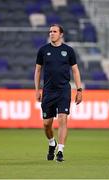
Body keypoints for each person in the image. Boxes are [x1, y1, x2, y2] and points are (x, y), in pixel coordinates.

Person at [34, 24, 82, 162]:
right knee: (46, 124)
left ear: (61, 34)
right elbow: (38, 71)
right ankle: (51, 143)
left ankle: (60, 150)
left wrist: (79, 90)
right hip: (48, 91)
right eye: (50, 31)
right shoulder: (43, 50)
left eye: (54, 31)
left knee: (63, 118)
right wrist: (37, 90)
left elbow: (75, 70)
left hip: (63, 90)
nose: (51, 33)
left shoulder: (69, 51)